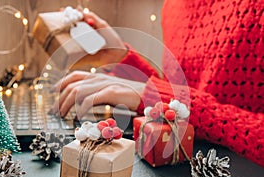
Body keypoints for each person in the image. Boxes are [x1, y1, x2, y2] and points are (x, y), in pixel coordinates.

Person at [51, 0, 264, 167]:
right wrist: (121, 59)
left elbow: (187, 105)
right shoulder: (172, 6)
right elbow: (184, 97)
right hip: (180, 170)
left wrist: (152, 93)